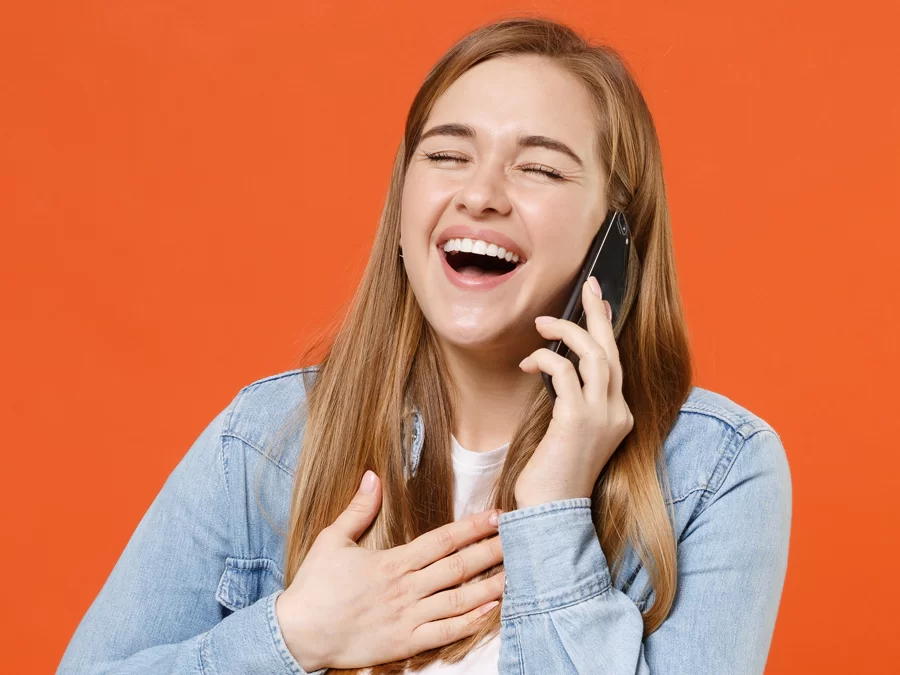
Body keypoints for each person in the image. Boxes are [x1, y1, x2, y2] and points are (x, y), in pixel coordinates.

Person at [57, 15, 792, 675]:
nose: (480, 194)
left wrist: (553, 510)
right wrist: (291, 637)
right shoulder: (264, 441)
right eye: (446, 155)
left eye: (537, 167)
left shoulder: (715, 471)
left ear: (615, 238)